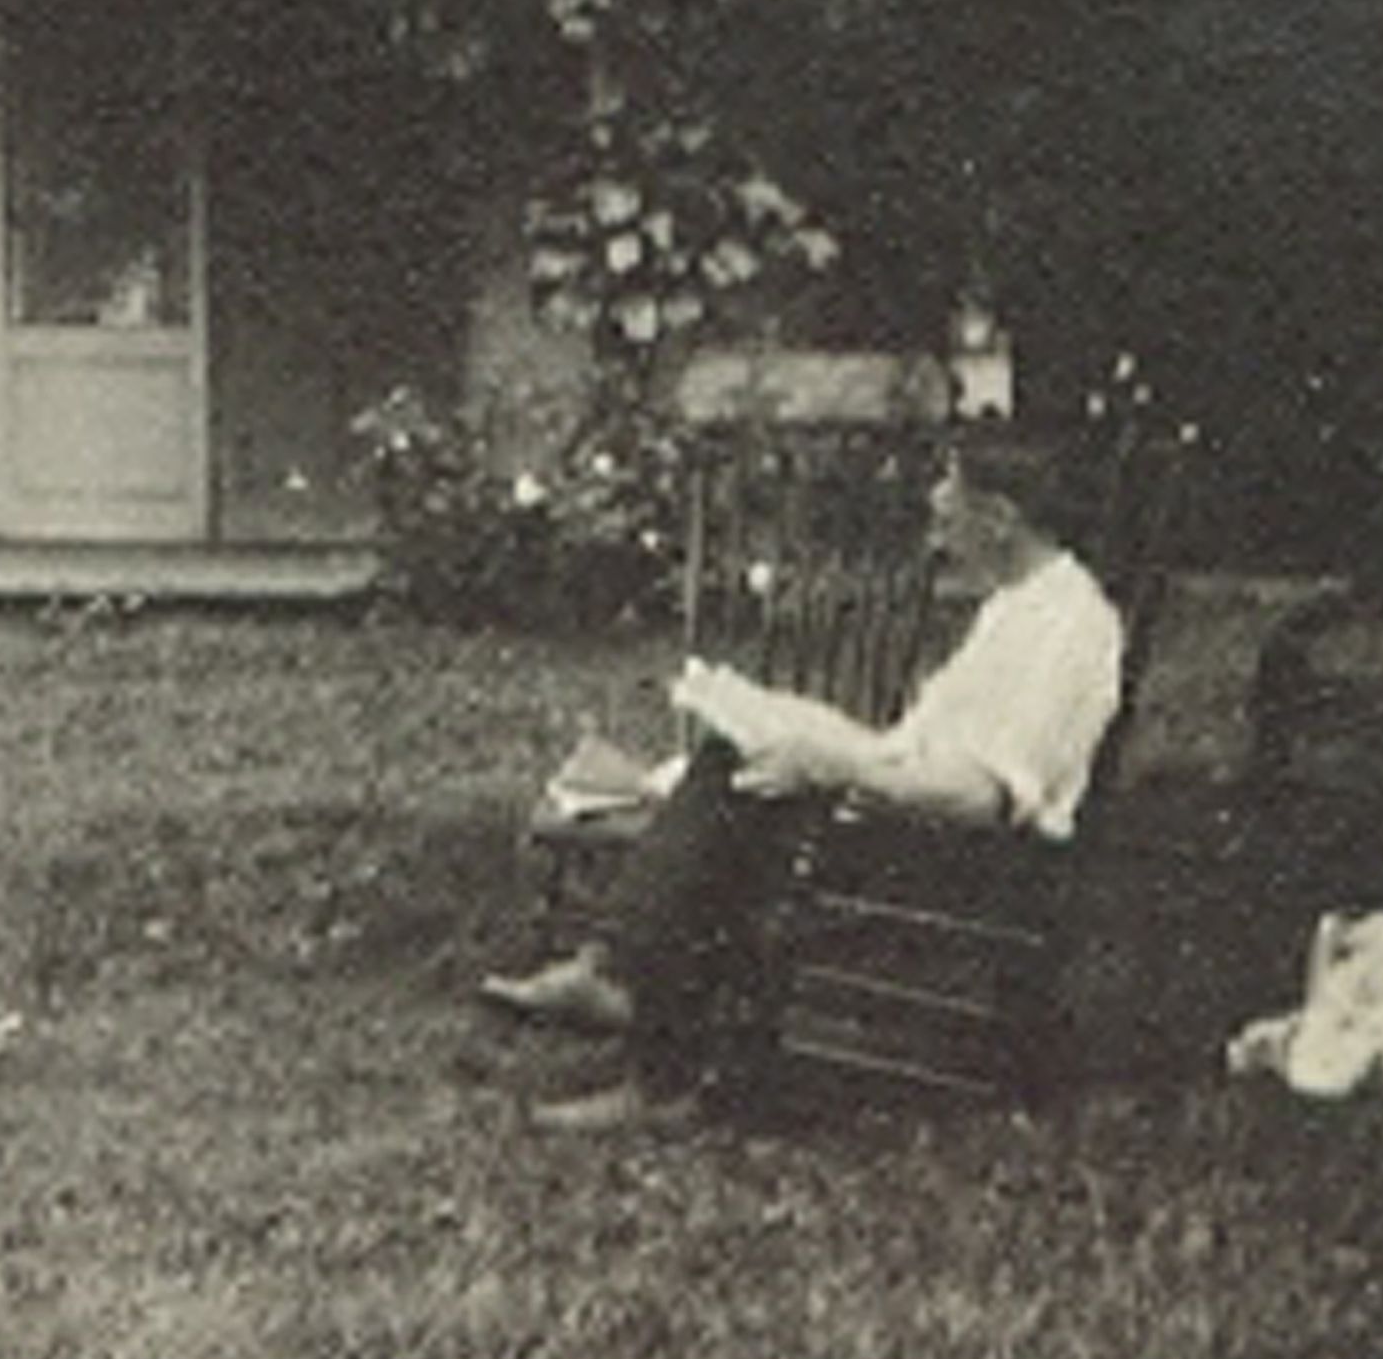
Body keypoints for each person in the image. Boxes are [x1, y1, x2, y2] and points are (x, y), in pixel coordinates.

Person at [482, 432, 1127, 1117]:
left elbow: (987, 796)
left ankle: (642, 1027)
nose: (935, 507)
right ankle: (630, 997)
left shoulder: (1068, 628)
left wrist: (834, 763)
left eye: (951, 495)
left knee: (743, 786)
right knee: (746, 755)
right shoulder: (1019, 603)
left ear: (999, 519)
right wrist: (807, 733)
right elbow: (925, 752)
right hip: (910, 805)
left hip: (974, 853)